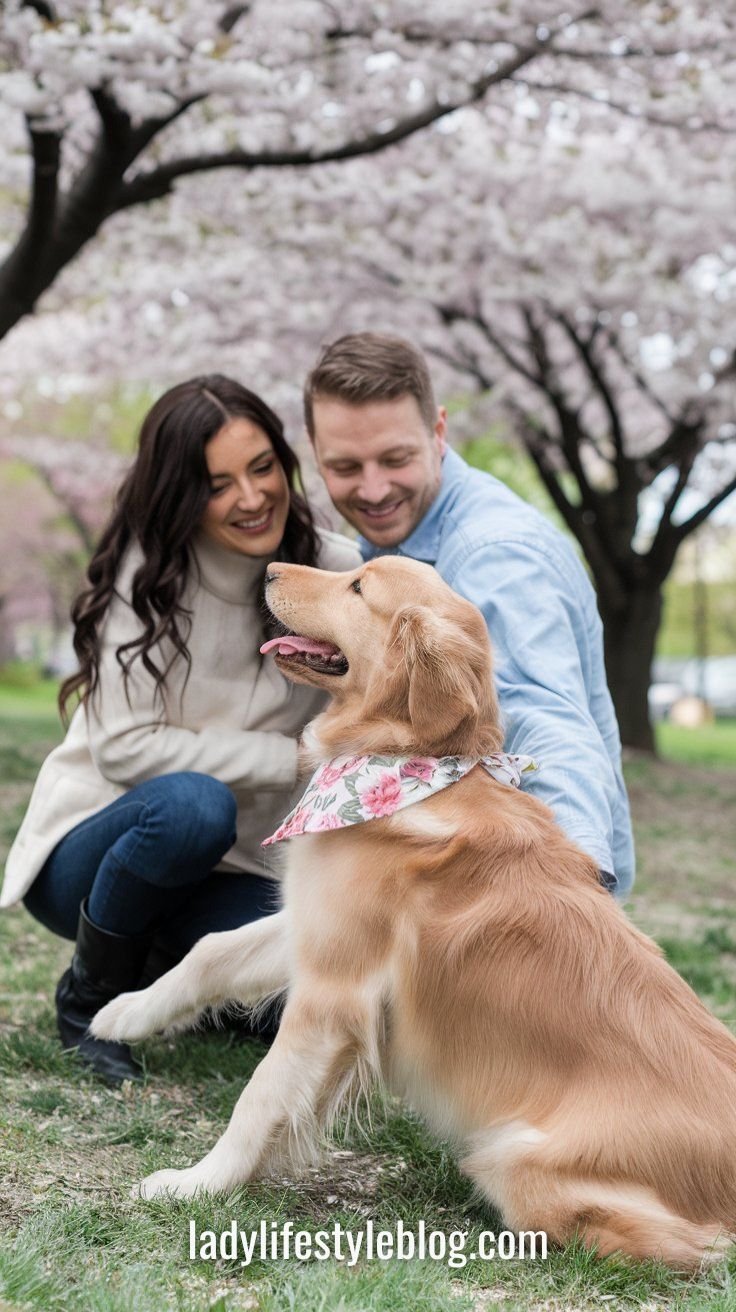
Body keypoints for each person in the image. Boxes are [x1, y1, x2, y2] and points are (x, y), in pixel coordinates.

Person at [0, 375, 360, 1083]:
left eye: (262, 468)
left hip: (239, 865)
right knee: (193, 805)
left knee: (300, 997)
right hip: (102, 845)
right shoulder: (148, 578)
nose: (252, 497)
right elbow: (125, 746)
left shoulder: (333, 573)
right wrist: (283, 757)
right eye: (217, 482)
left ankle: (166, 961)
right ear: (182, 493)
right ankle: (89, 1000)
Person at [303, 332, 635, 896]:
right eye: (345, 466)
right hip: (440, 871)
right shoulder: (395, 540)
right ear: (315, 454)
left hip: (520, 904)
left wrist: (580, 884)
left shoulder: (494, 556)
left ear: (438, 432)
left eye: (395, 458)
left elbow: (543, 717)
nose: (374, 488)